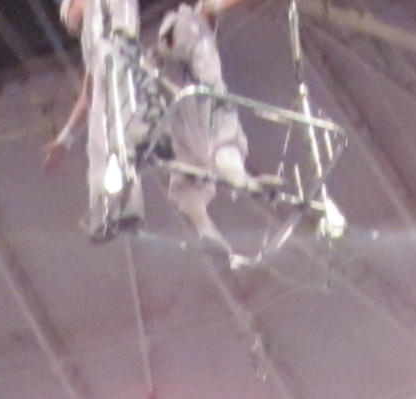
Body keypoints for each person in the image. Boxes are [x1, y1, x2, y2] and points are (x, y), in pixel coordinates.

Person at [45, 0, 264, 251]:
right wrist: (65, 139)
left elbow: (101, 78)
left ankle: (119, 202)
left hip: (135, 72)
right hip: (139, 78)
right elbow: (92, 89)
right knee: (174, 125)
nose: (71, 25)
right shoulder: (94, 41)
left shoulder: (101, 22)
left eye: (69, 15)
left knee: (195, 87)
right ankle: (197, 216)